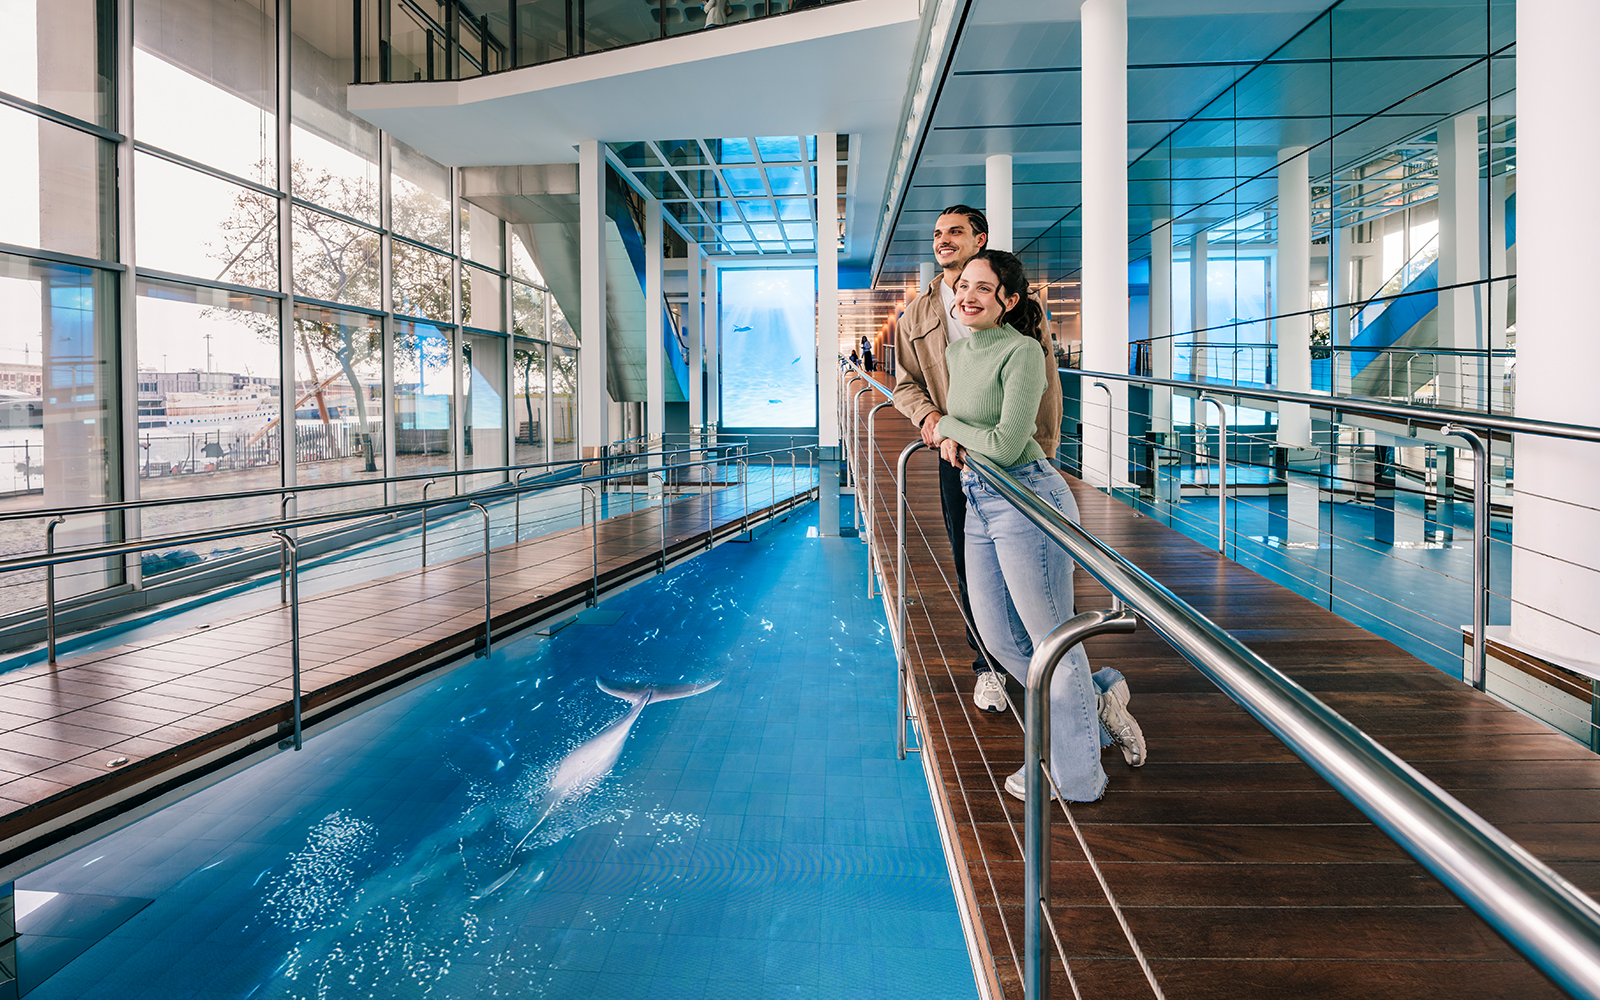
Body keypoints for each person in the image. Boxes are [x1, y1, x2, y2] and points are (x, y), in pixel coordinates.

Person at [932, 249, 1145, 802]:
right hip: (978, 496)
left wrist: (947, 426)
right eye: (963, 286)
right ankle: (1094, 700)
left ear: (1008, 299)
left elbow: (1005, 443)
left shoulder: (1024, 351)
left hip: (1027, 495)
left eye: (983, 287)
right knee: (1000, 637)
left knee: (1054, 641)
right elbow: (974, 436)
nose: (968, 296)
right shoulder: (959, 352)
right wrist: (953, 433)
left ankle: (1076, 776)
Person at [892, 205, 1063, 713]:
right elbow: (906, 384)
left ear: (978, 239)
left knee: (1038, 573)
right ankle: (991, 664)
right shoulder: (919, 314)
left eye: (956, 232)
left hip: (1017, 457)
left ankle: (1059, 673)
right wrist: (930, 422)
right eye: (938, 232)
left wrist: (1047, 447)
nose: (943, 240)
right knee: (974, 568)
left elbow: (1045, 380)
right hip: (958, 458)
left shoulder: (1012, 303)